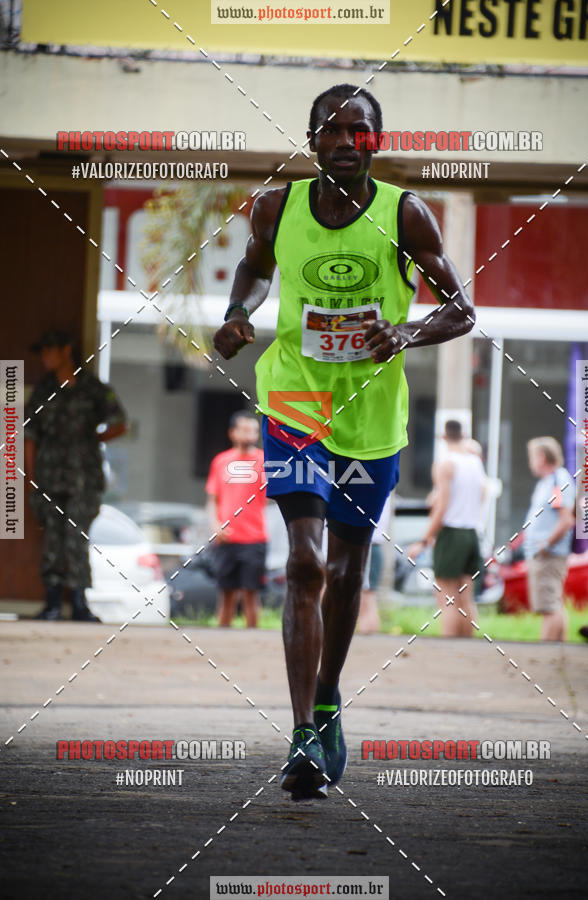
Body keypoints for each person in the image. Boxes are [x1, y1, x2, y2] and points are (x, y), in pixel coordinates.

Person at [213, 83, 475, 800]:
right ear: (312, 141)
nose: (342, 141)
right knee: (303, 561)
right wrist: (238, 312)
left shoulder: (405, 213)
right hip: (295, 397)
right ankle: (301, 734)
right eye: (329, 130)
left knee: (347, 566)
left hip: (369, 413)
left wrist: (407, 332)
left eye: (357, 130)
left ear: (375, 143)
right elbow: (257, 267)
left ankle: (327, 695)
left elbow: (460, 310)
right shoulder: (278, 205)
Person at [24, 329, 127, 622]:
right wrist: (31, 478)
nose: (45, 357)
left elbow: (121, 423)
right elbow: (29, 435)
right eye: (42, 351)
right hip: (50, 475)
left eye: (49, 350)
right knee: (53, 538)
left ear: (66, 350)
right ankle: (53, 604)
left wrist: (93, 440)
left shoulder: (93, 388)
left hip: (84, 477)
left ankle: (80, 604)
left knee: (77, 536)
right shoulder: (43, 391)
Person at [408, 420, 486, 637]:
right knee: (466, 598)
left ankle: (449, 650)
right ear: (464, 435)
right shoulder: (475, 462)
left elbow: (441, 507)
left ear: (442, 437)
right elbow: (482, 495)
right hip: (472, 533)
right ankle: (467, 649)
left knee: (447, 598)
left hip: (451, 533)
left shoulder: (445, 464)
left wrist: (424, 540)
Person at [205, 410, 267, 628]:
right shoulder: (221, 461)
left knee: (251, 595)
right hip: (226, 539)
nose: (249, 434)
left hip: (255, 538)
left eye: (253, 430)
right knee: (226, 594)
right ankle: (222, 641)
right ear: (232, 433)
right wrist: (215, 526)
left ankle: (253, 641)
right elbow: (212, 499)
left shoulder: (265, 461)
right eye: (244, 429)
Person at [524, 437, 575, 642]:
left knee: (549, 608)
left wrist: (546, 545)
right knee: (555, 604)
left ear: (542, 457)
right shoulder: (550, 481)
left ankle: (545, 653)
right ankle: (560, 653)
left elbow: (566, 520)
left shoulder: (557, 480)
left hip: (548, 554)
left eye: (532, 457)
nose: (530, 462)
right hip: (545, 552)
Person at [357, 493, 392, 635]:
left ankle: (368, 643)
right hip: (371, 543)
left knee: (366, 600)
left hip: (368, 543)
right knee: (366, 599)